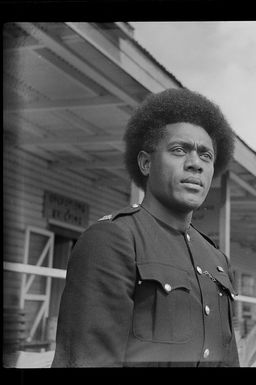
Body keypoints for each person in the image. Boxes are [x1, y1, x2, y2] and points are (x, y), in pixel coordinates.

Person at [52, 88, 240, 367]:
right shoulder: (112, 240)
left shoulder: (216, 260)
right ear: (146, 162)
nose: (195, 164)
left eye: (206, 156)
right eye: (179, 150)